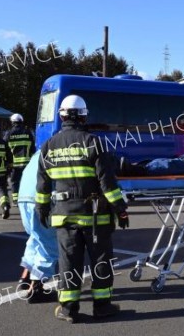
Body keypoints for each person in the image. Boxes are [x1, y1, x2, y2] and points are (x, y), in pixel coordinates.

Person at [36, 94, 130, 324]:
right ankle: (102, 306)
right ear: (84, 116)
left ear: (62, 116)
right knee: (100, 260)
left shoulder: (48, 146)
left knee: (69, 261)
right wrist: (121, 209)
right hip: (94, 217)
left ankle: (68, 309)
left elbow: (42, 184)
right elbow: (108, 185)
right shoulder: (93, 142)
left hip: (63, 216)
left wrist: (42, 208)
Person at [17, 150, 59, 303]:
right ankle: (36, 288)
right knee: (49, 245)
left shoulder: (40, 152)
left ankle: (25, 278)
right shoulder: (61, 150)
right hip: (40, 200)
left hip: (24, 199)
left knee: (36, 239)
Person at [4, 113, 36, 206]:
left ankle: (15, 200)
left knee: (14, 181)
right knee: (27, 181)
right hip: (27, 162)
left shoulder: (9, 133)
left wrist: (6, 162)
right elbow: (33, 147)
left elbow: (5, 147)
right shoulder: (27, 132)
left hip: (14, 163)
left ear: (12, 122)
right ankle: (28, 198)